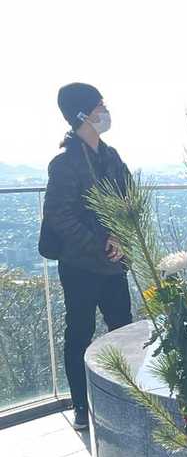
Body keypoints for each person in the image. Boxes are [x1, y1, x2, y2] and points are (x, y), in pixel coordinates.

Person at [39, 83, 133, 430]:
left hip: (113, 263)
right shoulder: (65, 164)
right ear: (83, 114)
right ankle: (82, 405)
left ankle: (125, 398)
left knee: (124, 330)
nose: (105, 112)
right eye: (99, 106)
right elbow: (59, 215)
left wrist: (121, 237)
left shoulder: (111, 156)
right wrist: (101, 243)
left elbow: (130, 200)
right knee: (80, 334)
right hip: (80, 266)